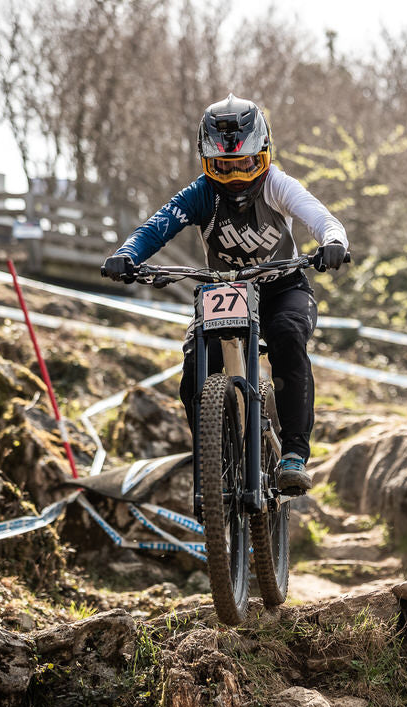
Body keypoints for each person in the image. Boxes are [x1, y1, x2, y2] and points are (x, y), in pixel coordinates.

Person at [103, 93, 349, 493]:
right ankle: (213, 459)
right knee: (195, 364)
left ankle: (293, 454)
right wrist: (127, 255)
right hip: (225, 289)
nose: (236, 178)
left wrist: (334, 241)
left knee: (287, 337)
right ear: (207, 163)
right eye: (224, 167)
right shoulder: (200, 194)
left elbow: (319, 216)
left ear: (264, 156)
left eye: (246, 164)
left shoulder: (277, 186)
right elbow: (155, 227)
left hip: (281, 286)